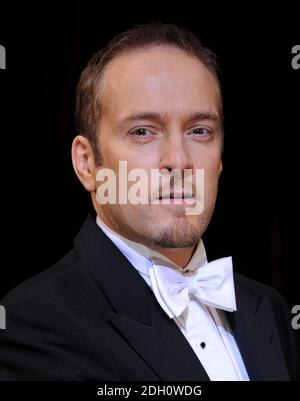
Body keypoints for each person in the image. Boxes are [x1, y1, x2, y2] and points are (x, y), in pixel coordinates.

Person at [0, 23, 298, 381]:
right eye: (143, 131)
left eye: (199, 131)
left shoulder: (268, 309)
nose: (178, 159)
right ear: (88, 163)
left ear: (219, 160)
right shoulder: (32, 322)